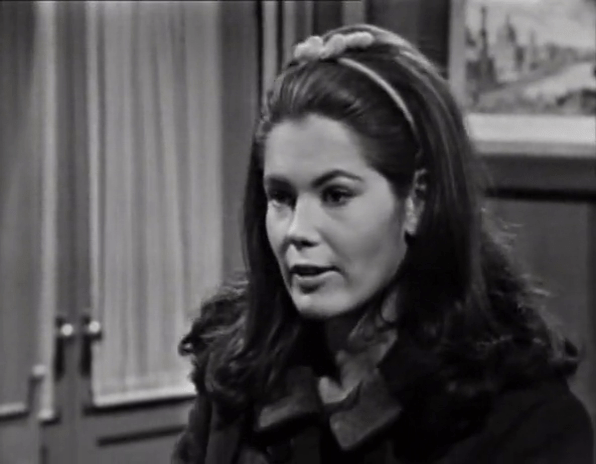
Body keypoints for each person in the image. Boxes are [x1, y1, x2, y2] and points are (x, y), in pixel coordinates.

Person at [172, 24, 594, 464]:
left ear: (417, 201)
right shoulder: (237, 376)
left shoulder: (521, 420)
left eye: (336, 195)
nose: (297, 229)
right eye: (281, 197)